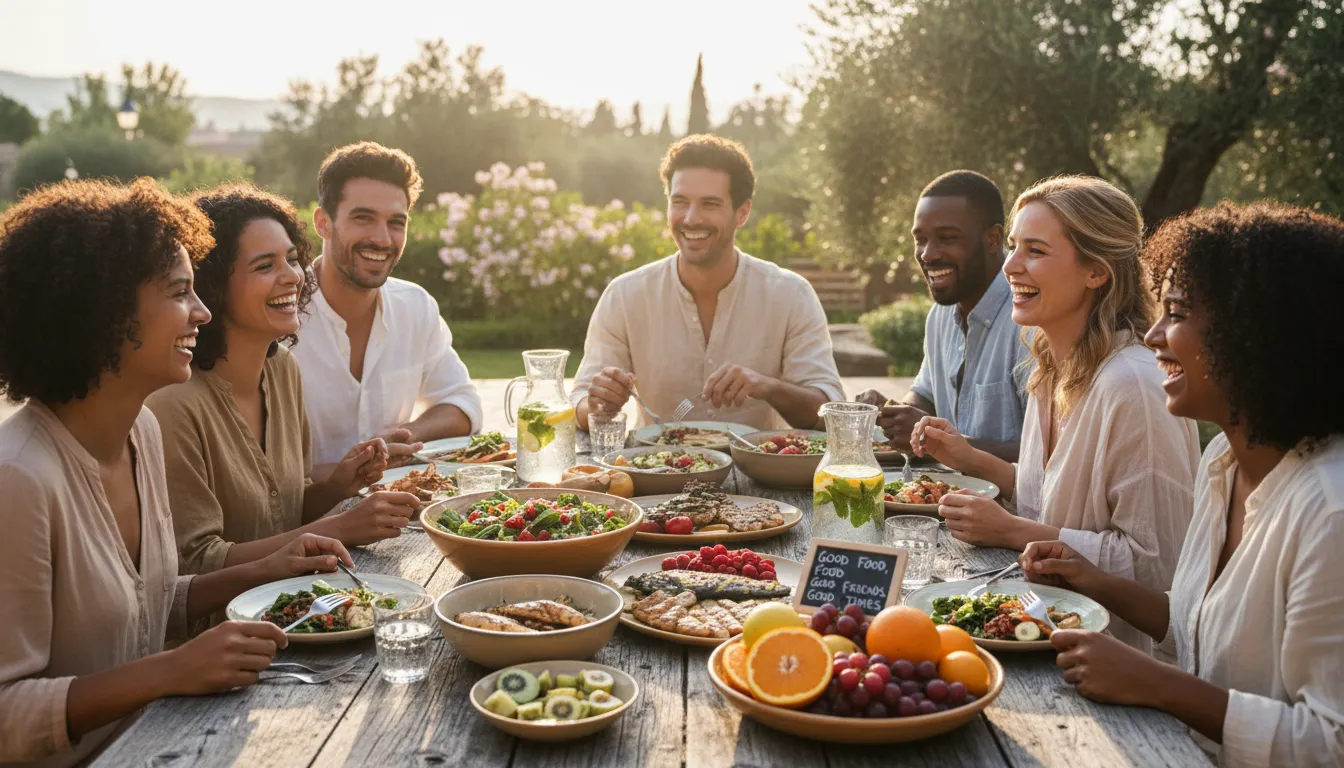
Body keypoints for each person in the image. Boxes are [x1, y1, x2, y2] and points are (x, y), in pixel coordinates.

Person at [0, 179, 354, 767]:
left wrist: (268, 568)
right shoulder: (20, 478)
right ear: (104, 313)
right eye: (179, 293)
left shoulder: (141, 432)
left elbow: (145, 605)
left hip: (162, 745)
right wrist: (171, 669)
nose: (203, 311)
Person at [1020, 202, 1344, 767]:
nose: (1152, 335)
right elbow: (1198, 629)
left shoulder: (1329, 511)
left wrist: (1158, 685)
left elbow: (1329, 743)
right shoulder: (1224, 460)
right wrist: (1090, 577)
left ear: (1259, 332)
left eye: (1177, 314)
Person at [911, 176, 1199, 654]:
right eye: (1012, 247)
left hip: (1123, 666)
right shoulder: (1050, 368)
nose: (1010, 265)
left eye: (1036, 251)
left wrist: (1011, 531)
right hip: (1045, 633)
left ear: (1097, 272)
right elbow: (1055, 500)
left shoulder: (1135, 387)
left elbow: (1156, 565)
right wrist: (969, 458)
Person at [147, 184, 423, 576]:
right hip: (228, 629)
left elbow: (284, 513)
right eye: (264, 266)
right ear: (213, 286)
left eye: (292, 259)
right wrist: (340, 527)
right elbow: (195, 563)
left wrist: (338, 486)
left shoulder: (282, 370)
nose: (292, 277)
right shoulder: (173, 404)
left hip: (297, 604)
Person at [573, 134, 844, 430]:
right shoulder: (625, 296)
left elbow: (829, 413)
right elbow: (582, 407)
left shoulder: (792, 295)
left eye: (710, 204)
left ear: (742, 213)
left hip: (763, 474)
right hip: (653, 471)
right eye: (680, 202)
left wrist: (767, 387)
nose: (691, 218)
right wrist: (600, 402)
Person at [291, 142, 483, 472]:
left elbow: (463, 404)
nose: (382, 239)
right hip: (305, 520)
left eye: (396, 222)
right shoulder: (280, 314)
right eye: (363, 218)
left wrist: (407, 436)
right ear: (323, 223)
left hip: (396, 511)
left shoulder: (415, 307)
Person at [857, 171, 1031, 461]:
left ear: (993, 239)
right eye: (921, 239)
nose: (927, 254)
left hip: (1010, 504)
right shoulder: (940, 315)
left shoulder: (1029, 322)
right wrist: (893, 411)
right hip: (943, 496)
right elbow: (926, 396)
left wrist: (934, 439)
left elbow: (1049, 454)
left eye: (947, 238)